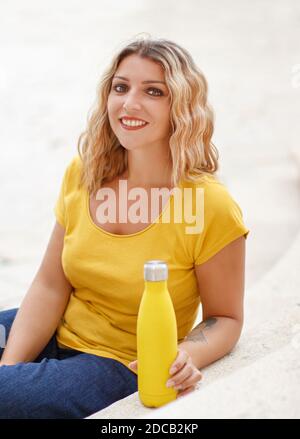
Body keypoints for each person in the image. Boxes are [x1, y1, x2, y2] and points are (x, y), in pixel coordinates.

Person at [0, 35, 250, 419]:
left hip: (121, 362)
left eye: (153, 91)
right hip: (56, 327)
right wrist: (11, 368)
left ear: (180, 107)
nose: (130, 104)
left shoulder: (209, 206)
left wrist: (185, 355)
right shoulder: (85, 172)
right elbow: (51, 284)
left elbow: (225, 318)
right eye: (121, 87)